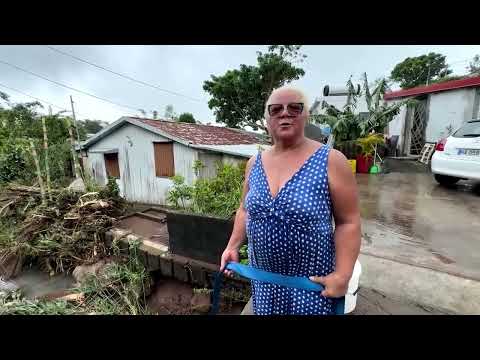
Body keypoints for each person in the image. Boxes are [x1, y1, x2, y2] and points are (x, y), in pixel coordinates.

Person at [220, 86, 361, 315]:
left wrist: (342, 275)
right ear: (267, 119)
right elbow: (245, 209)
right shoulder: (253, 163)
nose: (285, 113)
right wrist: (232, 246)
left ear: (307, 115)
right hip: (264, 284)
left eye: (294, 108)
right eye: (275, 109)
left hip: (311, 287)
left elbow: (349, 222)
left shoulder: (332, 161)